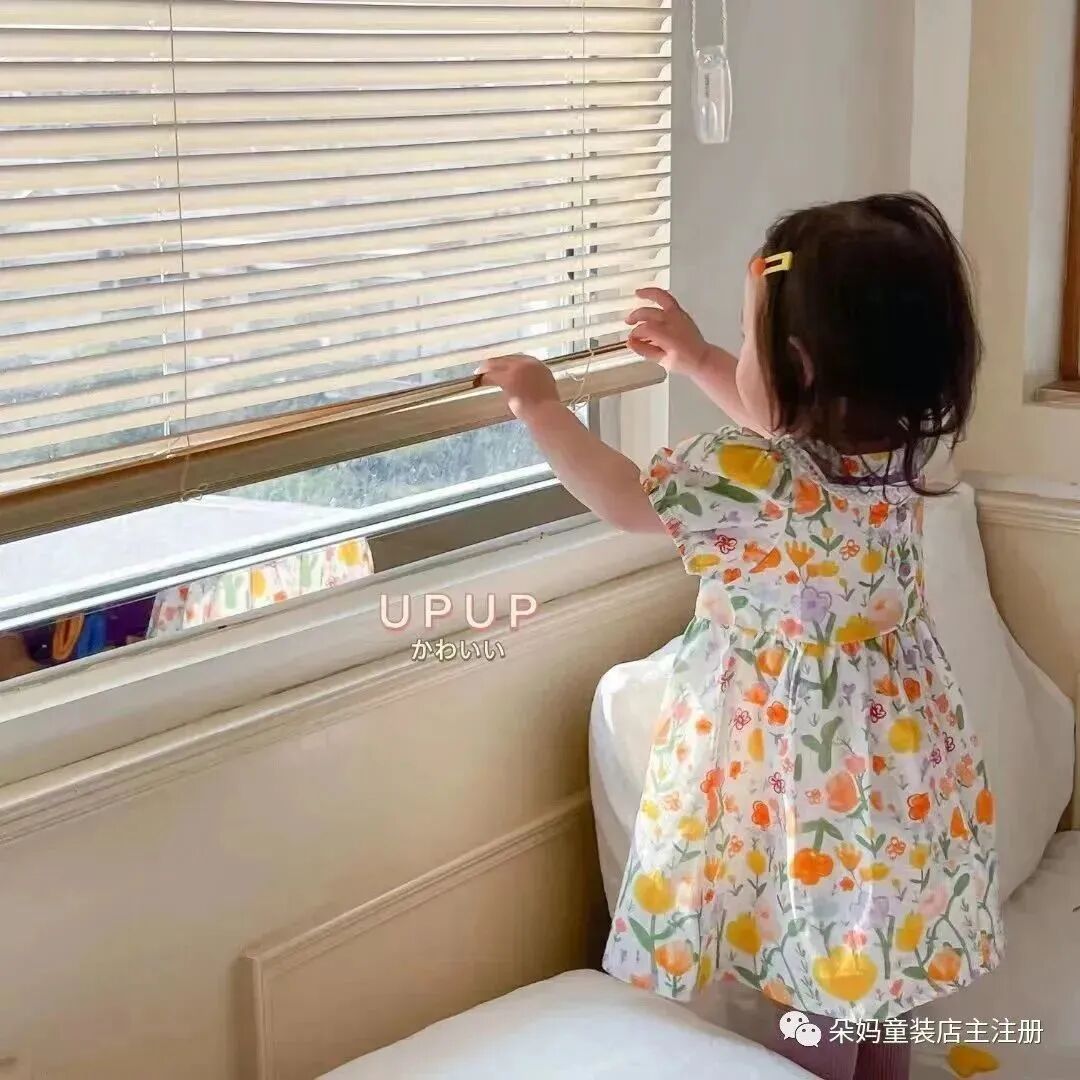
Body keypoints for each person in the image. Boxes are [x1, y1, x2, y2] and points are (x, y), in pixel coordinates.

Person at [475, 193, 1001, 1080]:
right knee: (870, 969)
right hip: (896, 768)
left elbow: (626, 499)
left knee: (809, 989)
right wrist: (700, 358)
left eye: (749, 344)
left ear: (802, 365)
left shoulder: (754, 475)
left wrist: (542, 408)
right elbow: (783, 422)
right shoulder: (899, 453)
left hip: (799, 777)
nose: (739, 360)